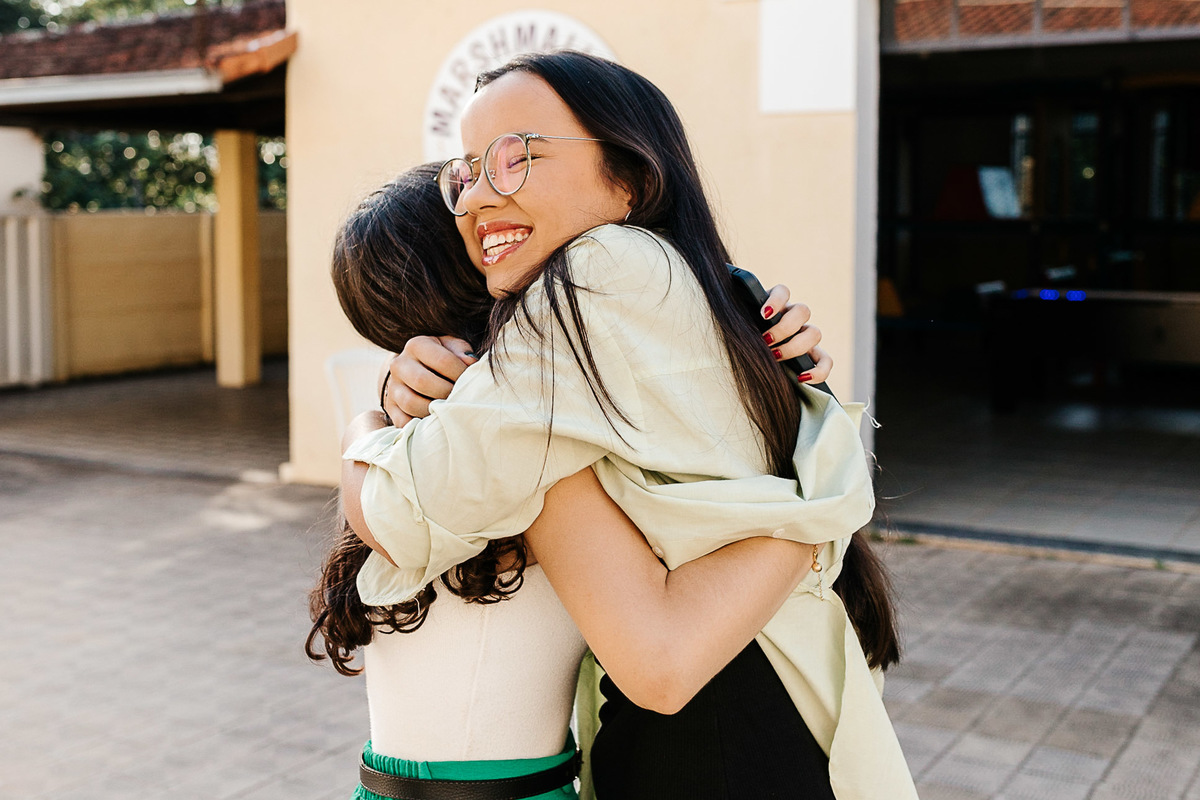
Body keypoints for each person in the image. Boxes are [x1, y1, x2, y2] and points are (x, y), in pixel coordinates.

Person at [341, 51, 916, 799]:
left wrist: (364, 426)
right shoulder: (691, 284)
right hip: (764, 701)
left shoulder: (596, 268)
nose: (477, 197)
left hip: (710, 740)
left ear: (632, 179)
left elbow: (402, 511)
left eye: (516, 157)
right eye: (470, 171)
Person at [310, 164, 832, 800]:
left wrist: (366, 422)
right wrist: (821, 495)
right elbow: (663, 661)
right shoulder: (527, 456)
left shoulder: (412, 451)